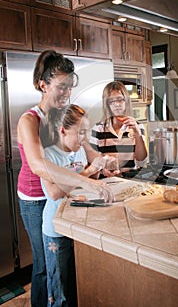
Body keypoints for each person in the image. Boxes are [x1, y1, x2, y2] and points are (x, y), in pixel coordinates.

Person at [17, 50, 113, 307]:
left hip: (63, 195)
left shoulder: (63, 114)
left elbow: (85, 148)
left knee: (64, 265)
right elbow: (38, 165)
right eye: (61, 87)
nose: (66, 93)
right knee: (42, 266)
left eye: (69, 87)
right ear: (43, 85)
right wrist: (86, 180)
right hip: (36, 199)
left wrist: (102, 163)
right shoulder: (30, 120)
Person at [41, 104, 106, 307]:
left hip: (77, 226)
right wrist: (86, 174)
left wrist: (98, 168)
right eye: (81, 132)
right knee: (59, 290)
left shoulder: (78, 152)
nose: (84, 138)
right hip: (56, 231)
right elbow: (53, 192)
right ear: (63, 130)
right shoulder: (48, 155)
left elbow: (83, 184)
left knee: (75, 286)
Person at [89, 81, 148, 173]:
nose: (116, 104)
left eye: (120, 99)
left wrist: (138, 134)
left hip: (130, 179)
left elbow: (141, 162)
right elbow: (93, 162)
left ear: (126, 101)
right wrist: (102, 170)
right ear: (107, 105)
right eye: (111, 101)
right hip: (106, 181)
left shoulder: (138, 126)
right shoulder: (98, 129)